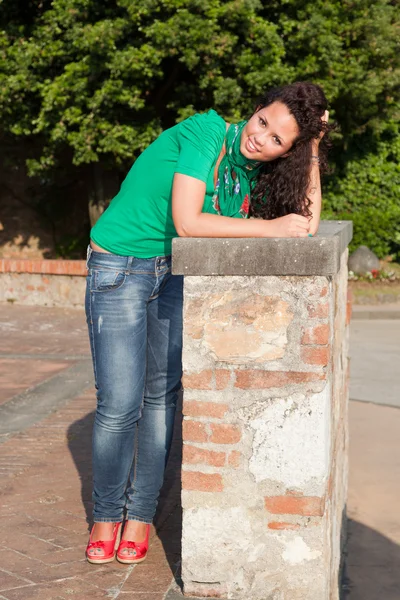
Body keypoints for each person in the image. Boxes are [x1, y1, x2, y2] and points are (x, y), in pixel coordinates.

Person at [85, 81, 331, 564]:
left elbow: (307, 224)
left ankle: (139, 516)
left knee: (160, 397)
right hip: (120, 266)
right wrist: (268, 228)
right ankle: (106, 514)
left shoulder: (250, 170)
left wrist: (314, 147)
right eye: (263, 122)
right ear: (256, 110)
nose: (261, 139)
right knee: (119, 404)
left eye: (278, 140)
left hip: (174, 273)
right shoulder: (206, 132)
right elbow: (188, 222)